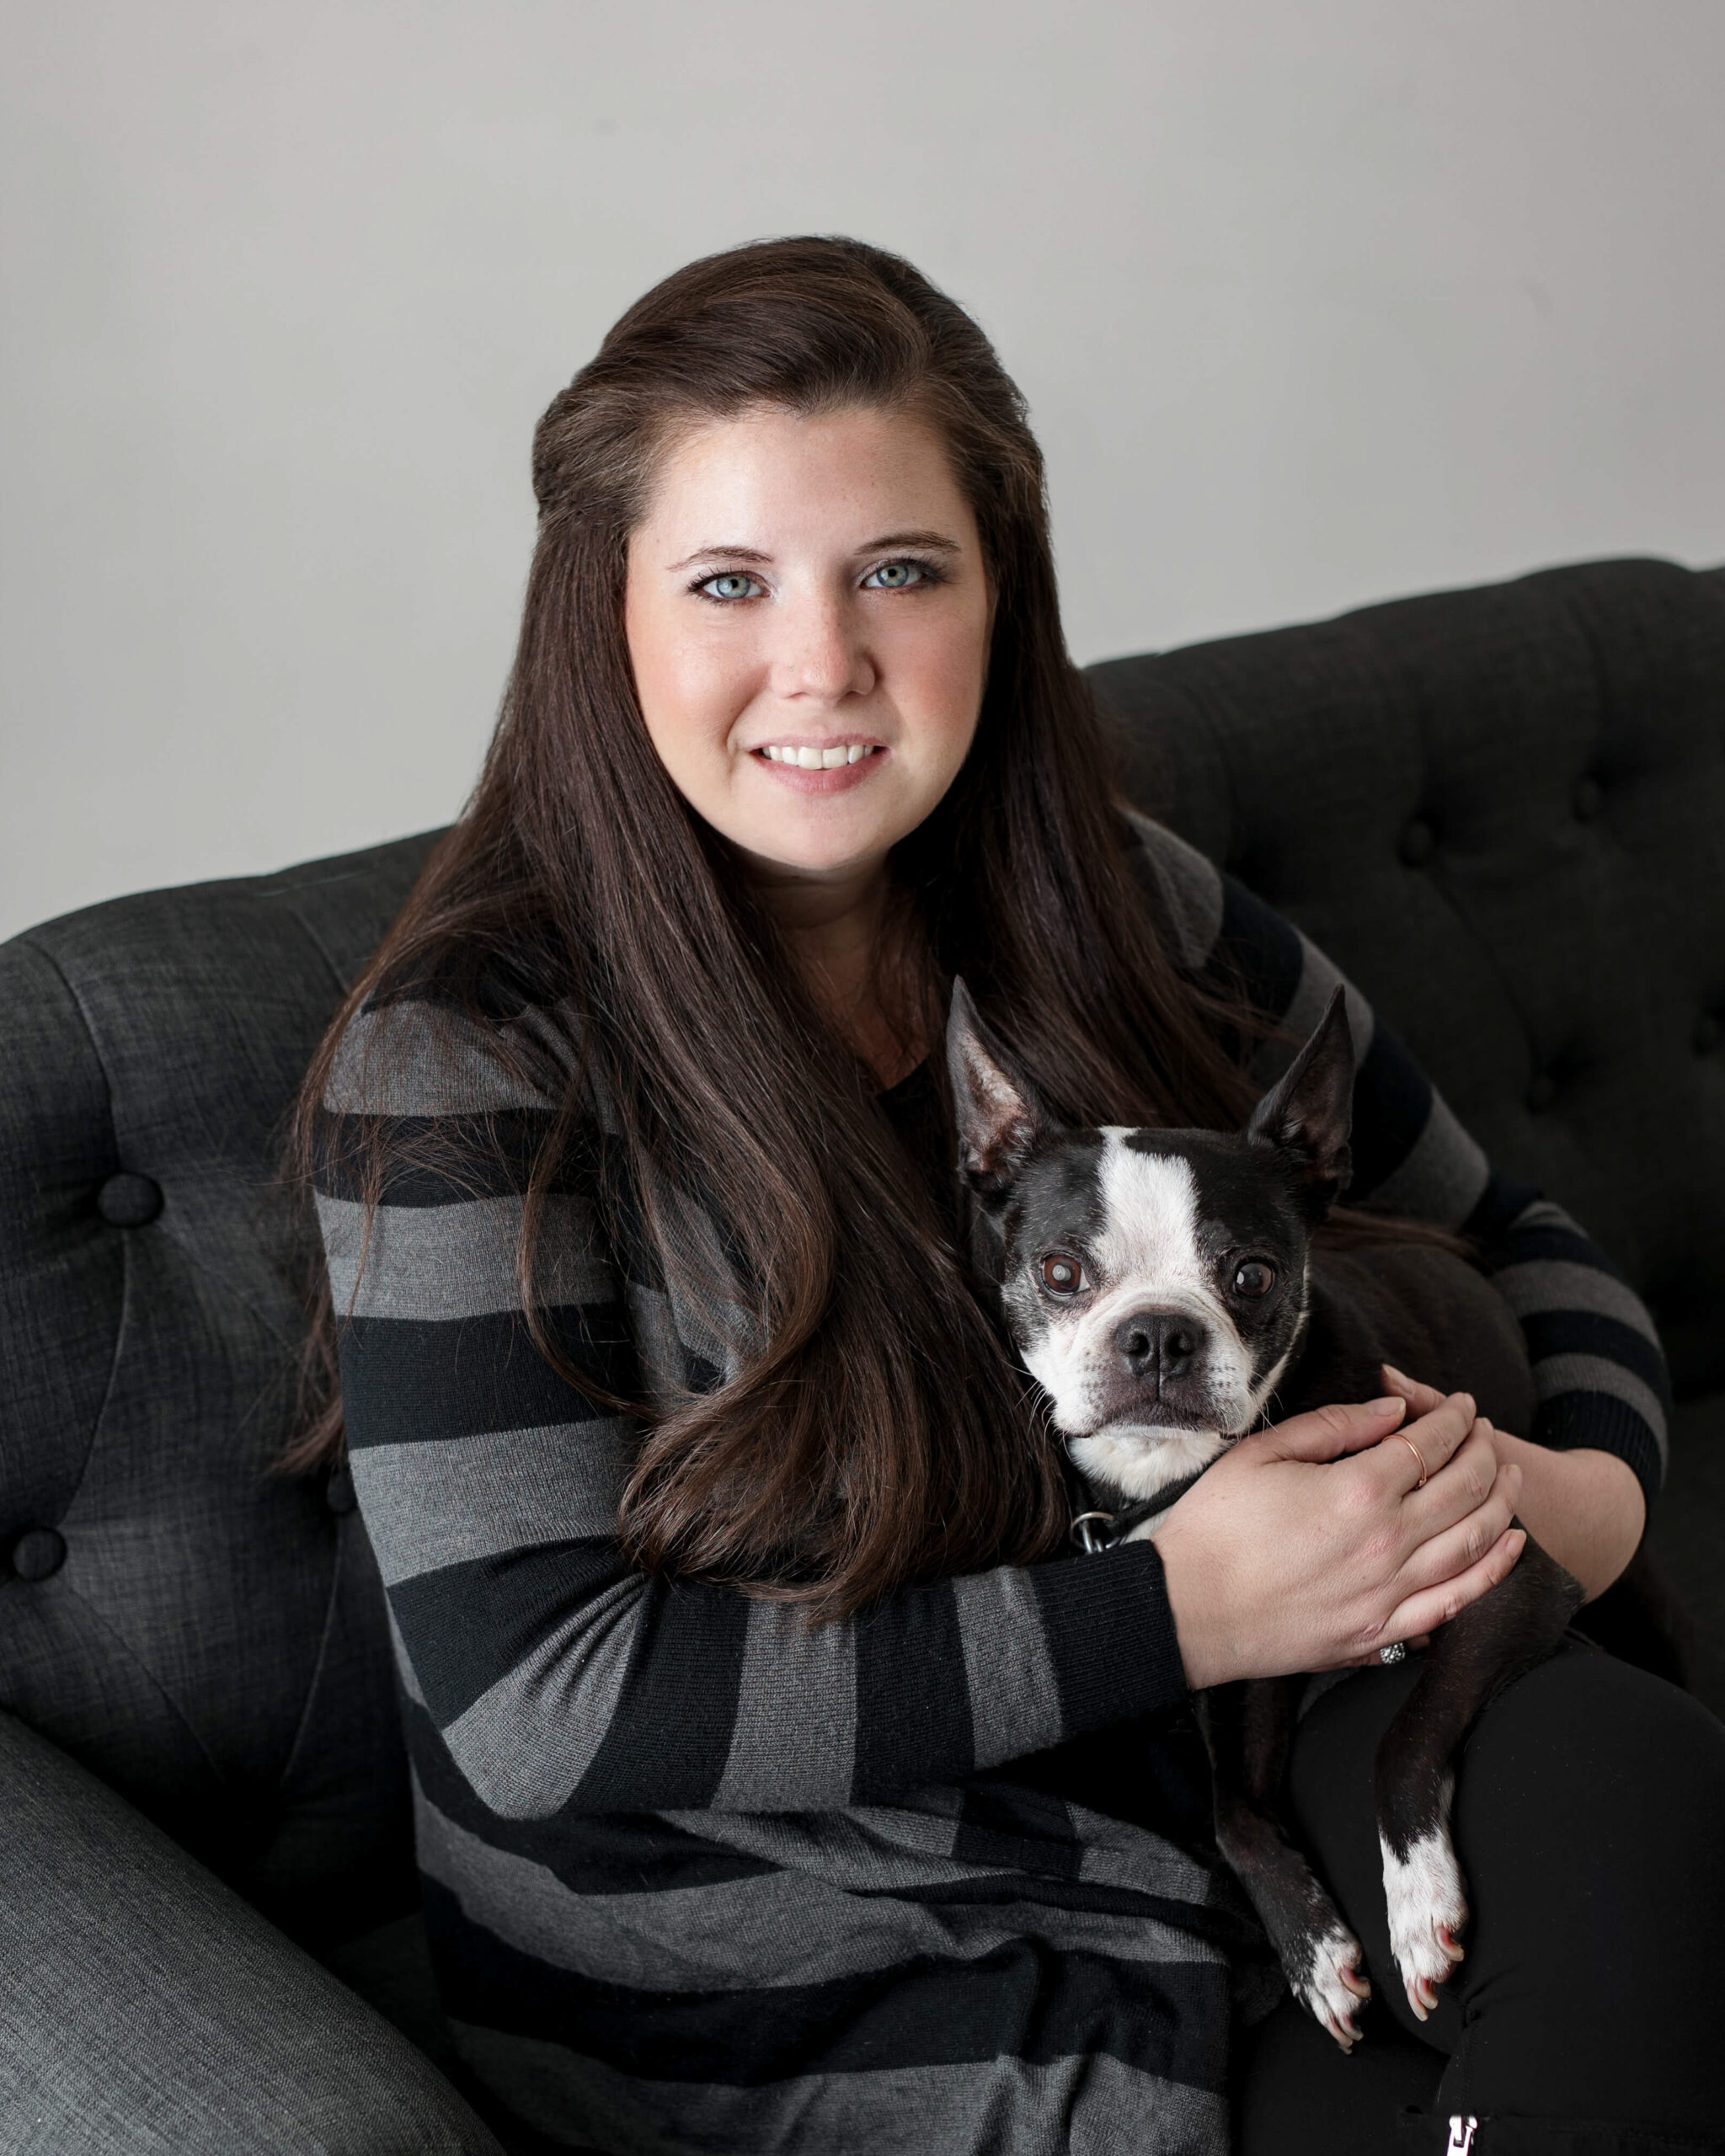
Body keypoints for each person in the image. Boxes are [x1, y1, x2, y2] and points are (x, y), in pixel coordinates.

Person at [295, 237, 1725, 2154]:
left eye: (900, 569)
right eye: (729, 582)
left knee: (1644, 1807)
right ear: (601, 616)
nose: (824, 664)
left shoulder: (1121, 904)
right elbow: (537, 1707)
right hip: (820, 1945)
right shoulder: (466, 1063)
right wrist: (1177, 1608)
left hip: (1217, 1776)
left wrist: (1582, 1494)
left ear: (999, 593)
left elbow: (1518, 1241)